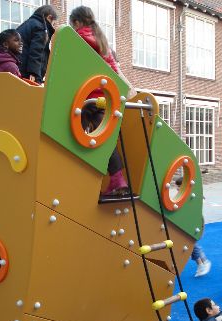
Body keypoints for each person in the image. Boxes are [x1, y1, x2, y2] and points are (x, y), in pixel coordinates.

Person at [70, 6, 128, 196]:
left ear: (77, 22)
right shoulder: (103, 42)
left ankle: (77, 181)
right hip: (104, 100)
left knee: (74, 138)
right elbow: (114, 72)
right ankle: (118, 179)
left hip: (85, 98)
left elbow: (70, 68)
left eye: (73, 24)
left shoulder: (76, 38)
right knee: (103, 139)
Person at [174, 177, 211, 277]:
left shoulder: (192, 195)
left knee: (190, 243)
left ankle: (202, 263)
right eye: (176, 187)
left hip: (194, 222)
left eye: (179, 187)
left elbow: (194, 208)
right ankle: (203, 262)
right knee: (190, 243)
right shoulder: (181, 196)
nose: (177, 189)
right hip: (186, 222)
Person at [16, 5, 58, 84]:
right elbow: (36, 51)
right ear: (49, 17)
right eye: (53, 23)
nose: (53, 26)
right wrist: (34, 73)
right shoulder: (41, 27)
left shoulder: (26, 24)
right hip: (28, 73)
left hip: (19, 68)